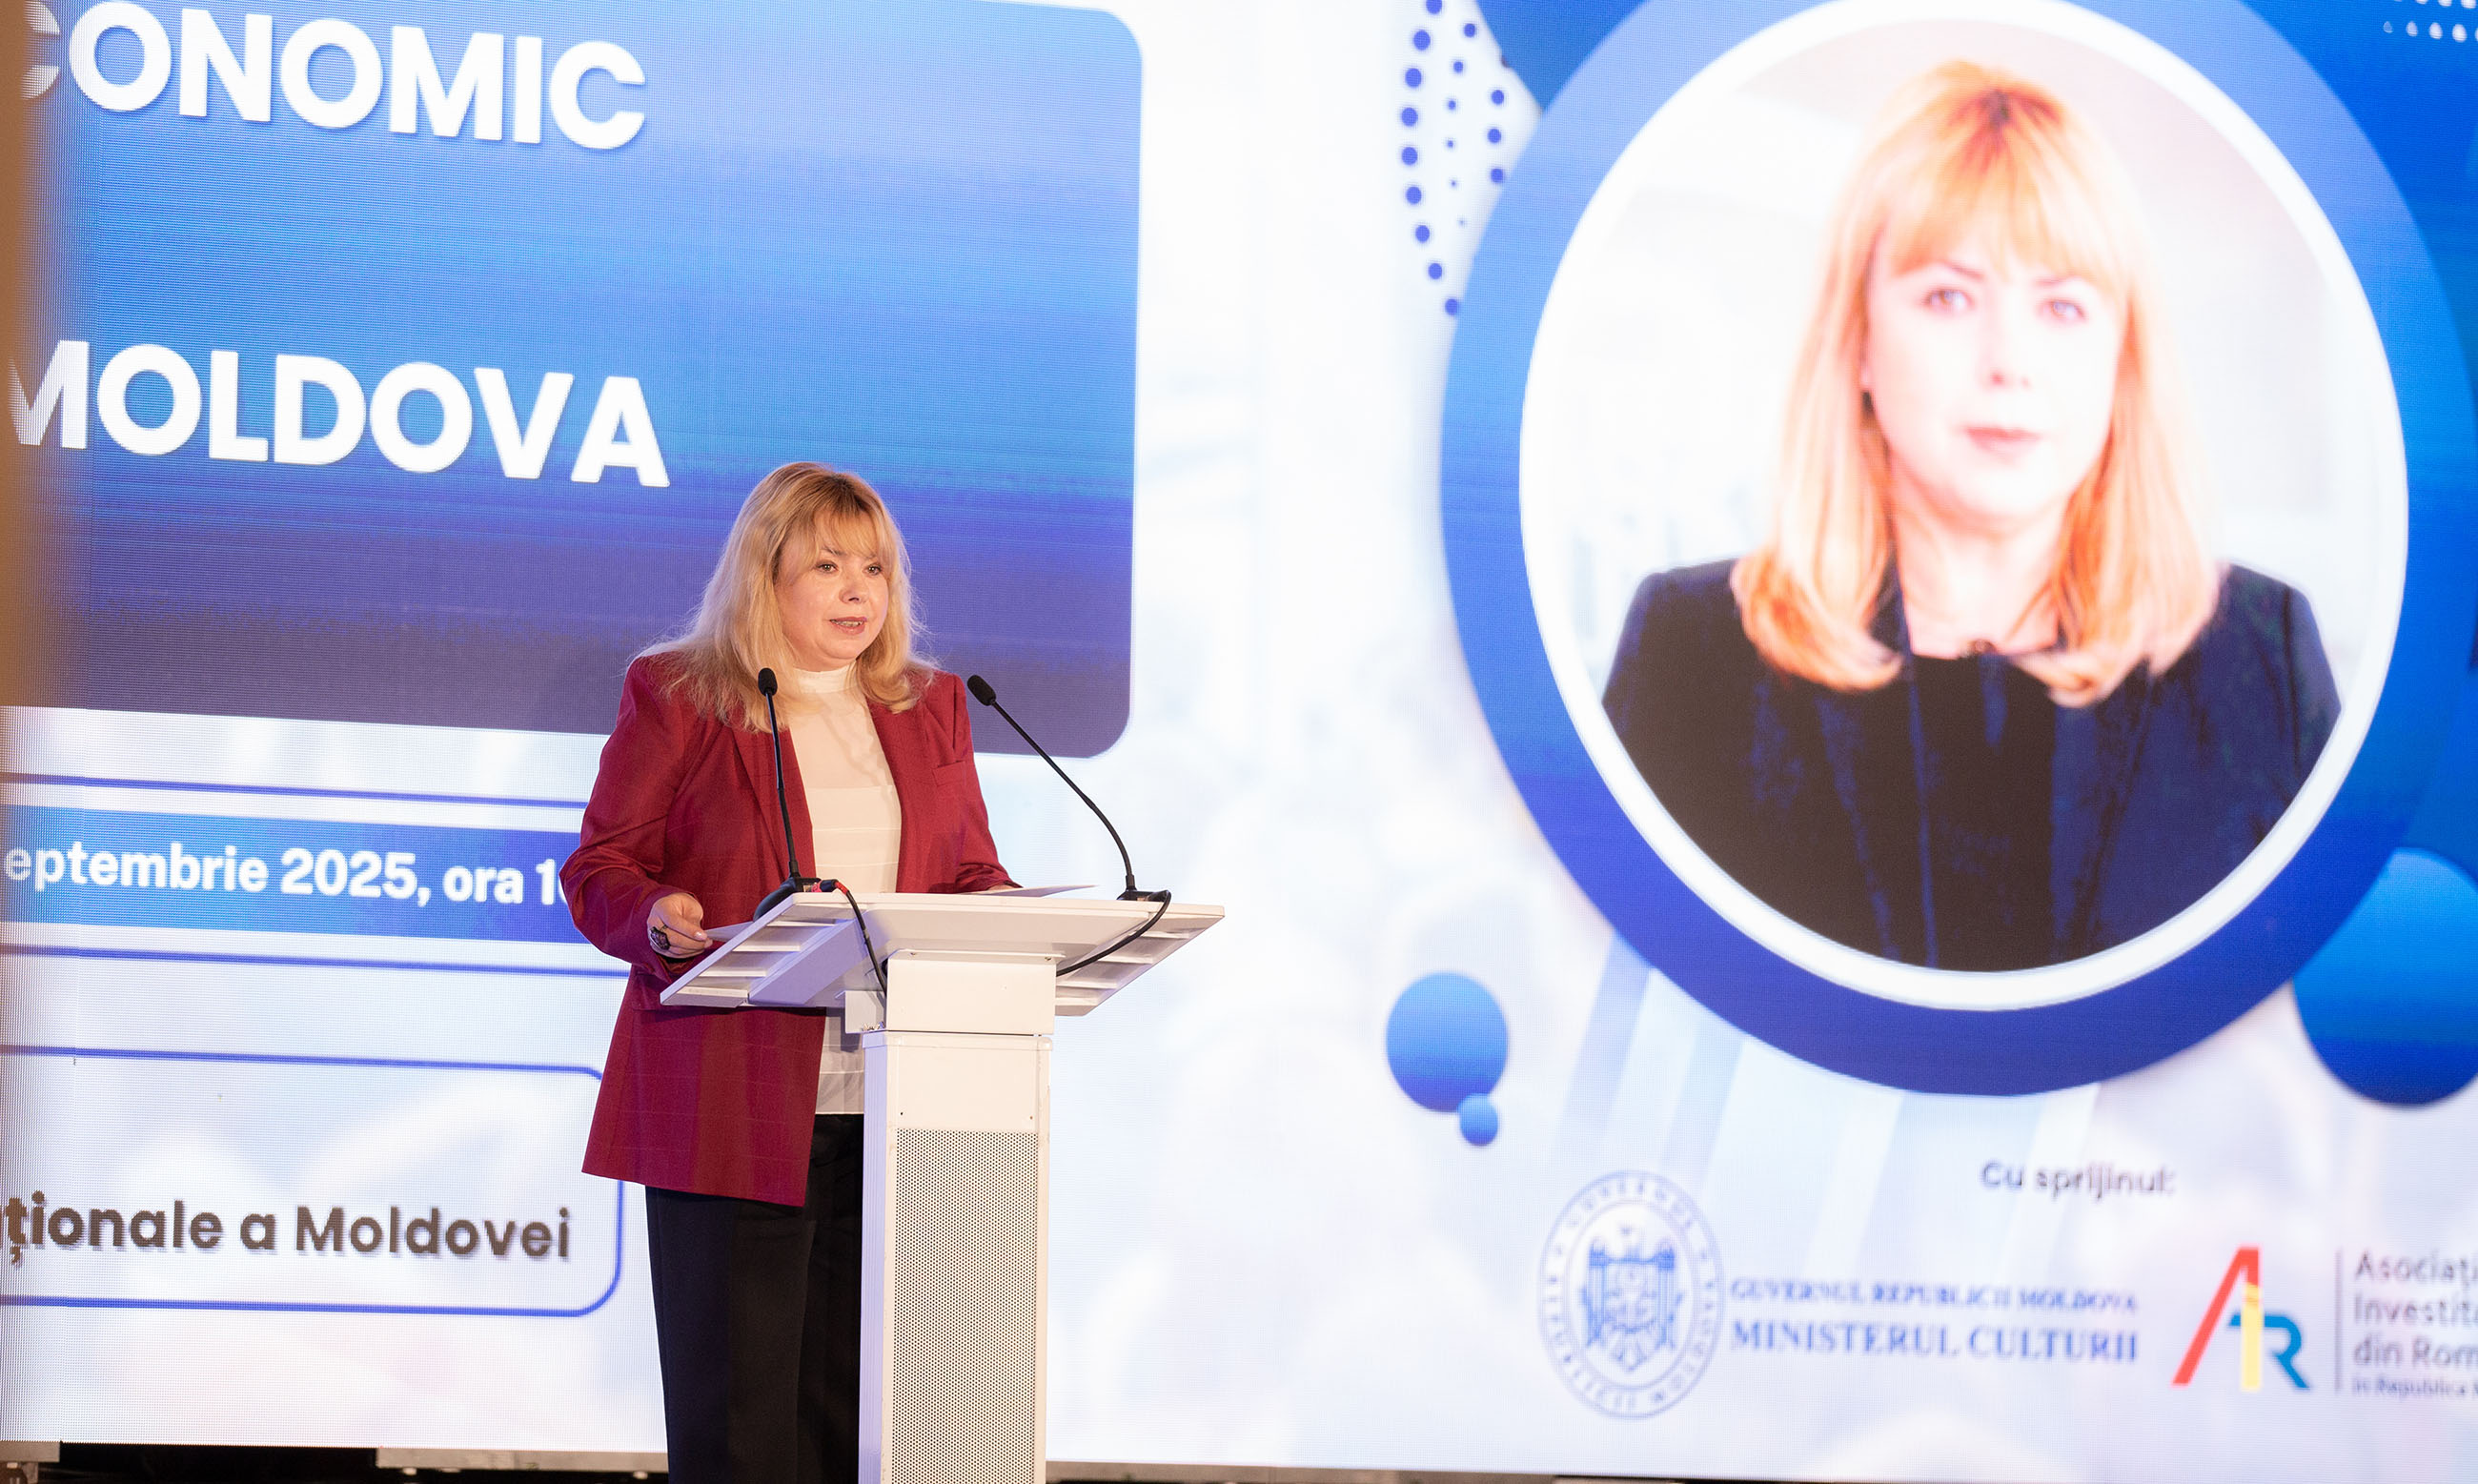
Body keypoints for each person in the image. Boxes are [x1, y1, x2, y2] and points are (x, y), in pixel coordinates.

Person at [1602, 62, 2337, 971]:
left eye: (2063, 306)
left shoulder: (2262, 662)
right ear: (1859, 339)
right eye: (1949, 297)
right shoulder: (1689, 655)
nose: (2009, 360)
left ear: (2122, 358)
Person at [562, 462, 1013, 1480]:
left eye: (875, 569)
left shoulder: (932, 706)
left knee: (855, 1424)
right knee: (742, 1429)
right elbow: (600, 869)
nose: (859, 592)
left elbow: (968, 871)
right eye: (828, 566)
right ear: (765, 576)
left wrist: (1015, 917)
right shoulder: (680, 695)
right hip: (731, 1101)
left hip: (898, 1108)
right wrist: (658, 917)